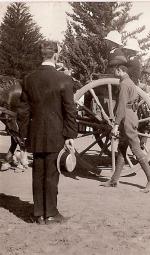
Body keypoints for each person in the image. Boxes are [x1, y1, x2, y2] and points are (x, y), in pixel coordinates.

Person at [18, 41, 77, 224]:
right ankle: (51, 213)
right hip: (56, 134)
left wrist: (25, 136)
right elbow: (70, 110)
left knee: (38, 173)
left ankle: (38, 214)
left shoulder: (28, 79)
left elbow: (23, 111)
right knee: (52, 174)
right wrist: (70, 136)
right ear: (56, 55)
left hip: (35, 134)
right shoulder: (64, 79)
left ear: (41, 55)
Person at [101, 65, 150, 192]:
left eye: (115, 70)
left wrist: (115, 125)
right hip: (130, 115)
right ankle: (114, 180)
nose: (114, 72)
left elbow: (121, 105)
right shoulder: (129, 81)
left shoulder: (124, 84)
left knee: (136, 149)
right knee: (122, 149)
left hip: (127, 118)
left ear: (120, 71)